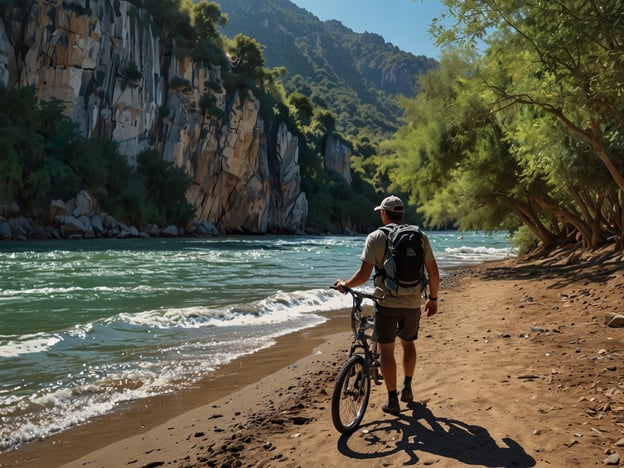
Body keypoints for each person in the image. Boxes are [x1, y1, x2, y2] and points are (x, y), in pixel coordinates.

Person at [335, 195, 439, 415]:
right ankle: (407, 387)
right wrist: (433, 299)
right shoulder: (419, 236)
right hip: (412, 302)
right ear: (401, 214)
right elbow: (433, 272)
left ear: (383, 213)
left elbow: (363, 275)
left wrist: (345, 284)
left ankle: (393, 400)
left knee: (387, 350)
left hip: (386, 303)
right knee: (408, 344)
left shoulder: (375, 237)